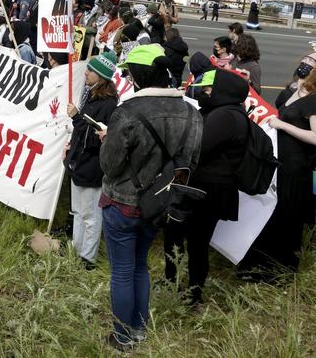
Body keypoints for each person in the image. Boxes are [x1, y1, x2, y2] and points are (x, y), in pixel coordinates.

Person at [99, 44, 202, 350]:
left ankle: (122, 336)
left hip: (122, 202)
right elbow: (189, 164)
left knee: (121, 270)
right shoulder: (191, 113)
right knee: (140, 265)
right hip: (159, 205)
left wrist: (107, 140)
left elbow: (110, 165)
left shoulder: (127, 112)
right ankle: (140, 330)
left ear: (139, 76)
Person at [242, 52, 316, 278]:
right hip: (281, 161)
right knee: (272, 213)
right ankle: (261, 260)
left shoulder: (315, 99)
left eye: (311, 62)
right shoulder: (294, 91)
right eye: (305, 59)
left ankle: (280, 268)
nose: (305, 62)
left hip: (295, 166)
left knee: (286, 216)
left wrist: (283, 125)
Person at [164, 69, 248, 304]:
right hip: (199, 186)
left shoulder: (226, 117)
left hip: (207, 191)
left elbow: (196, 147)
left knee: (197, 243)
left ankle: (194, 291)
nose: (204, 93)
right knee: (175, 233)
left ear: (223, 92)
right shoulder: (220, 111)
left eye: (209, 90)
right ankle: (172, 279)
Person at [65, 51, 118, 269]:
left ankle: (87, 258)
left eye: (90, 71)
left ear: (101, 76)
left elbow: (97, 137)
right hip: (79, 162)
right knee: (78, 211)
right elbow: (83, 132)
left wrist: (77, 117)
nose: (85, 73)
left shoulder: (108, 104)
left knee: (91, 216)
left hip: (93, 166)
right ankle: (75, 251)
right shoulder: (92, 94)